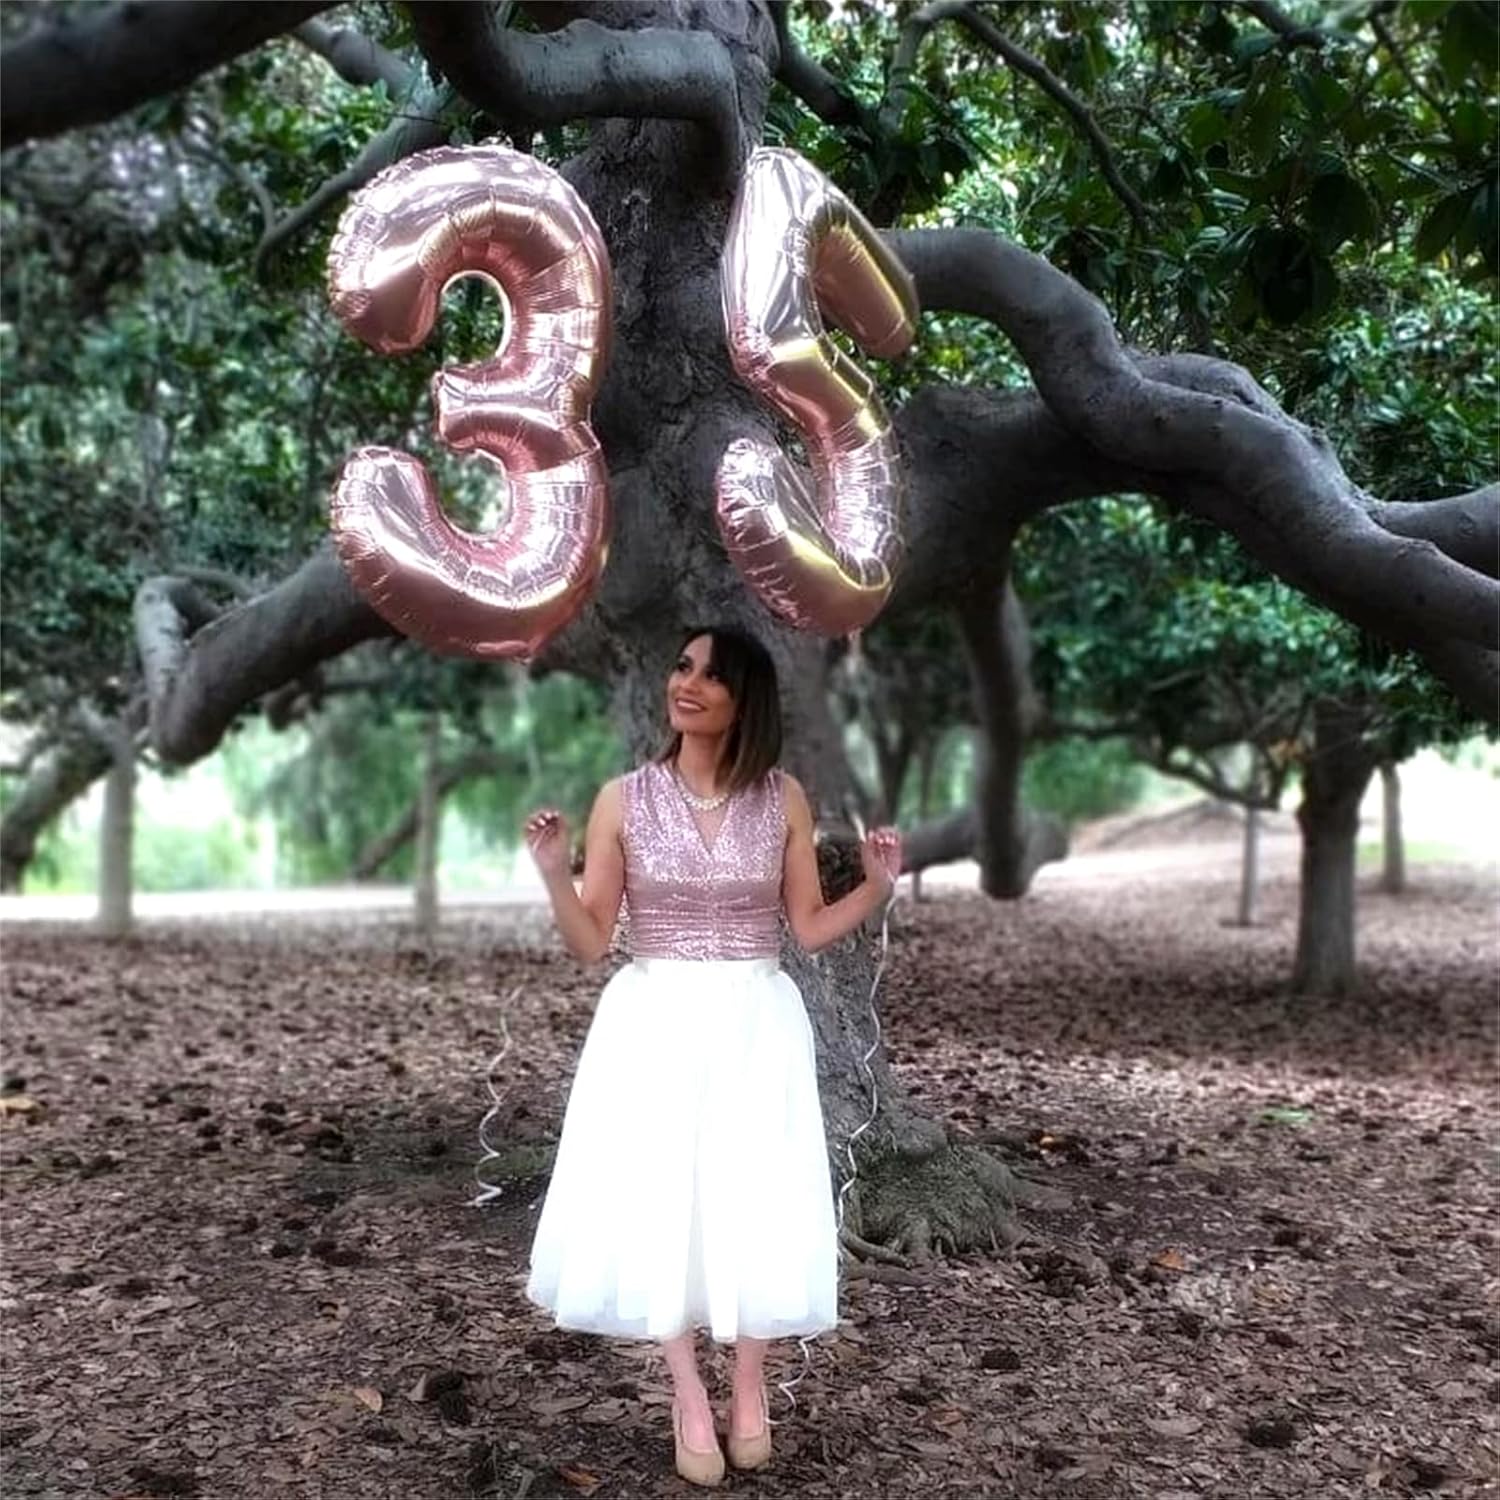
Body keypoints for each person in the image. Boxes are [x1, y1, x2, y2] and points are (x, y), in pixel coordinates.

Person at [521, 624, 901, 1488]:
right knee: (664, 1196)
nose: (686, 684)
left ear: (744, 700)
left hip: (756, 1017)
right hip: (654, 1017)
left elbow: (809, 927)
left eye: (710, 676)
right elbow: (591, 939)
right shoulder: (622, 800)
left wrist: (876, 889)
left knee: (755, 1193)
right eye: (681, 666)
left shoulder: (783, 799)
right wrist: (550, 873)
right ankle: (688, 1394)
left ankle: (752, 1385)